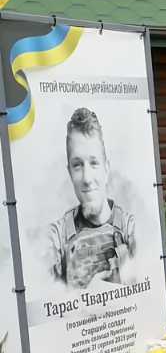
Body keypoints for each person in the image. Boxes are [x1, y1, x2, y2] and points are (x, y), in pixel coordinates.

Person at [48, 108, 135, 289]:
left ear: (106, 168)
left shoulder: (131, 228)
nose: (87, 179)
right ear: (69, 172)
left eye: (94, 163)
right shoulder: (56, 237)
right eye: (77, 165)